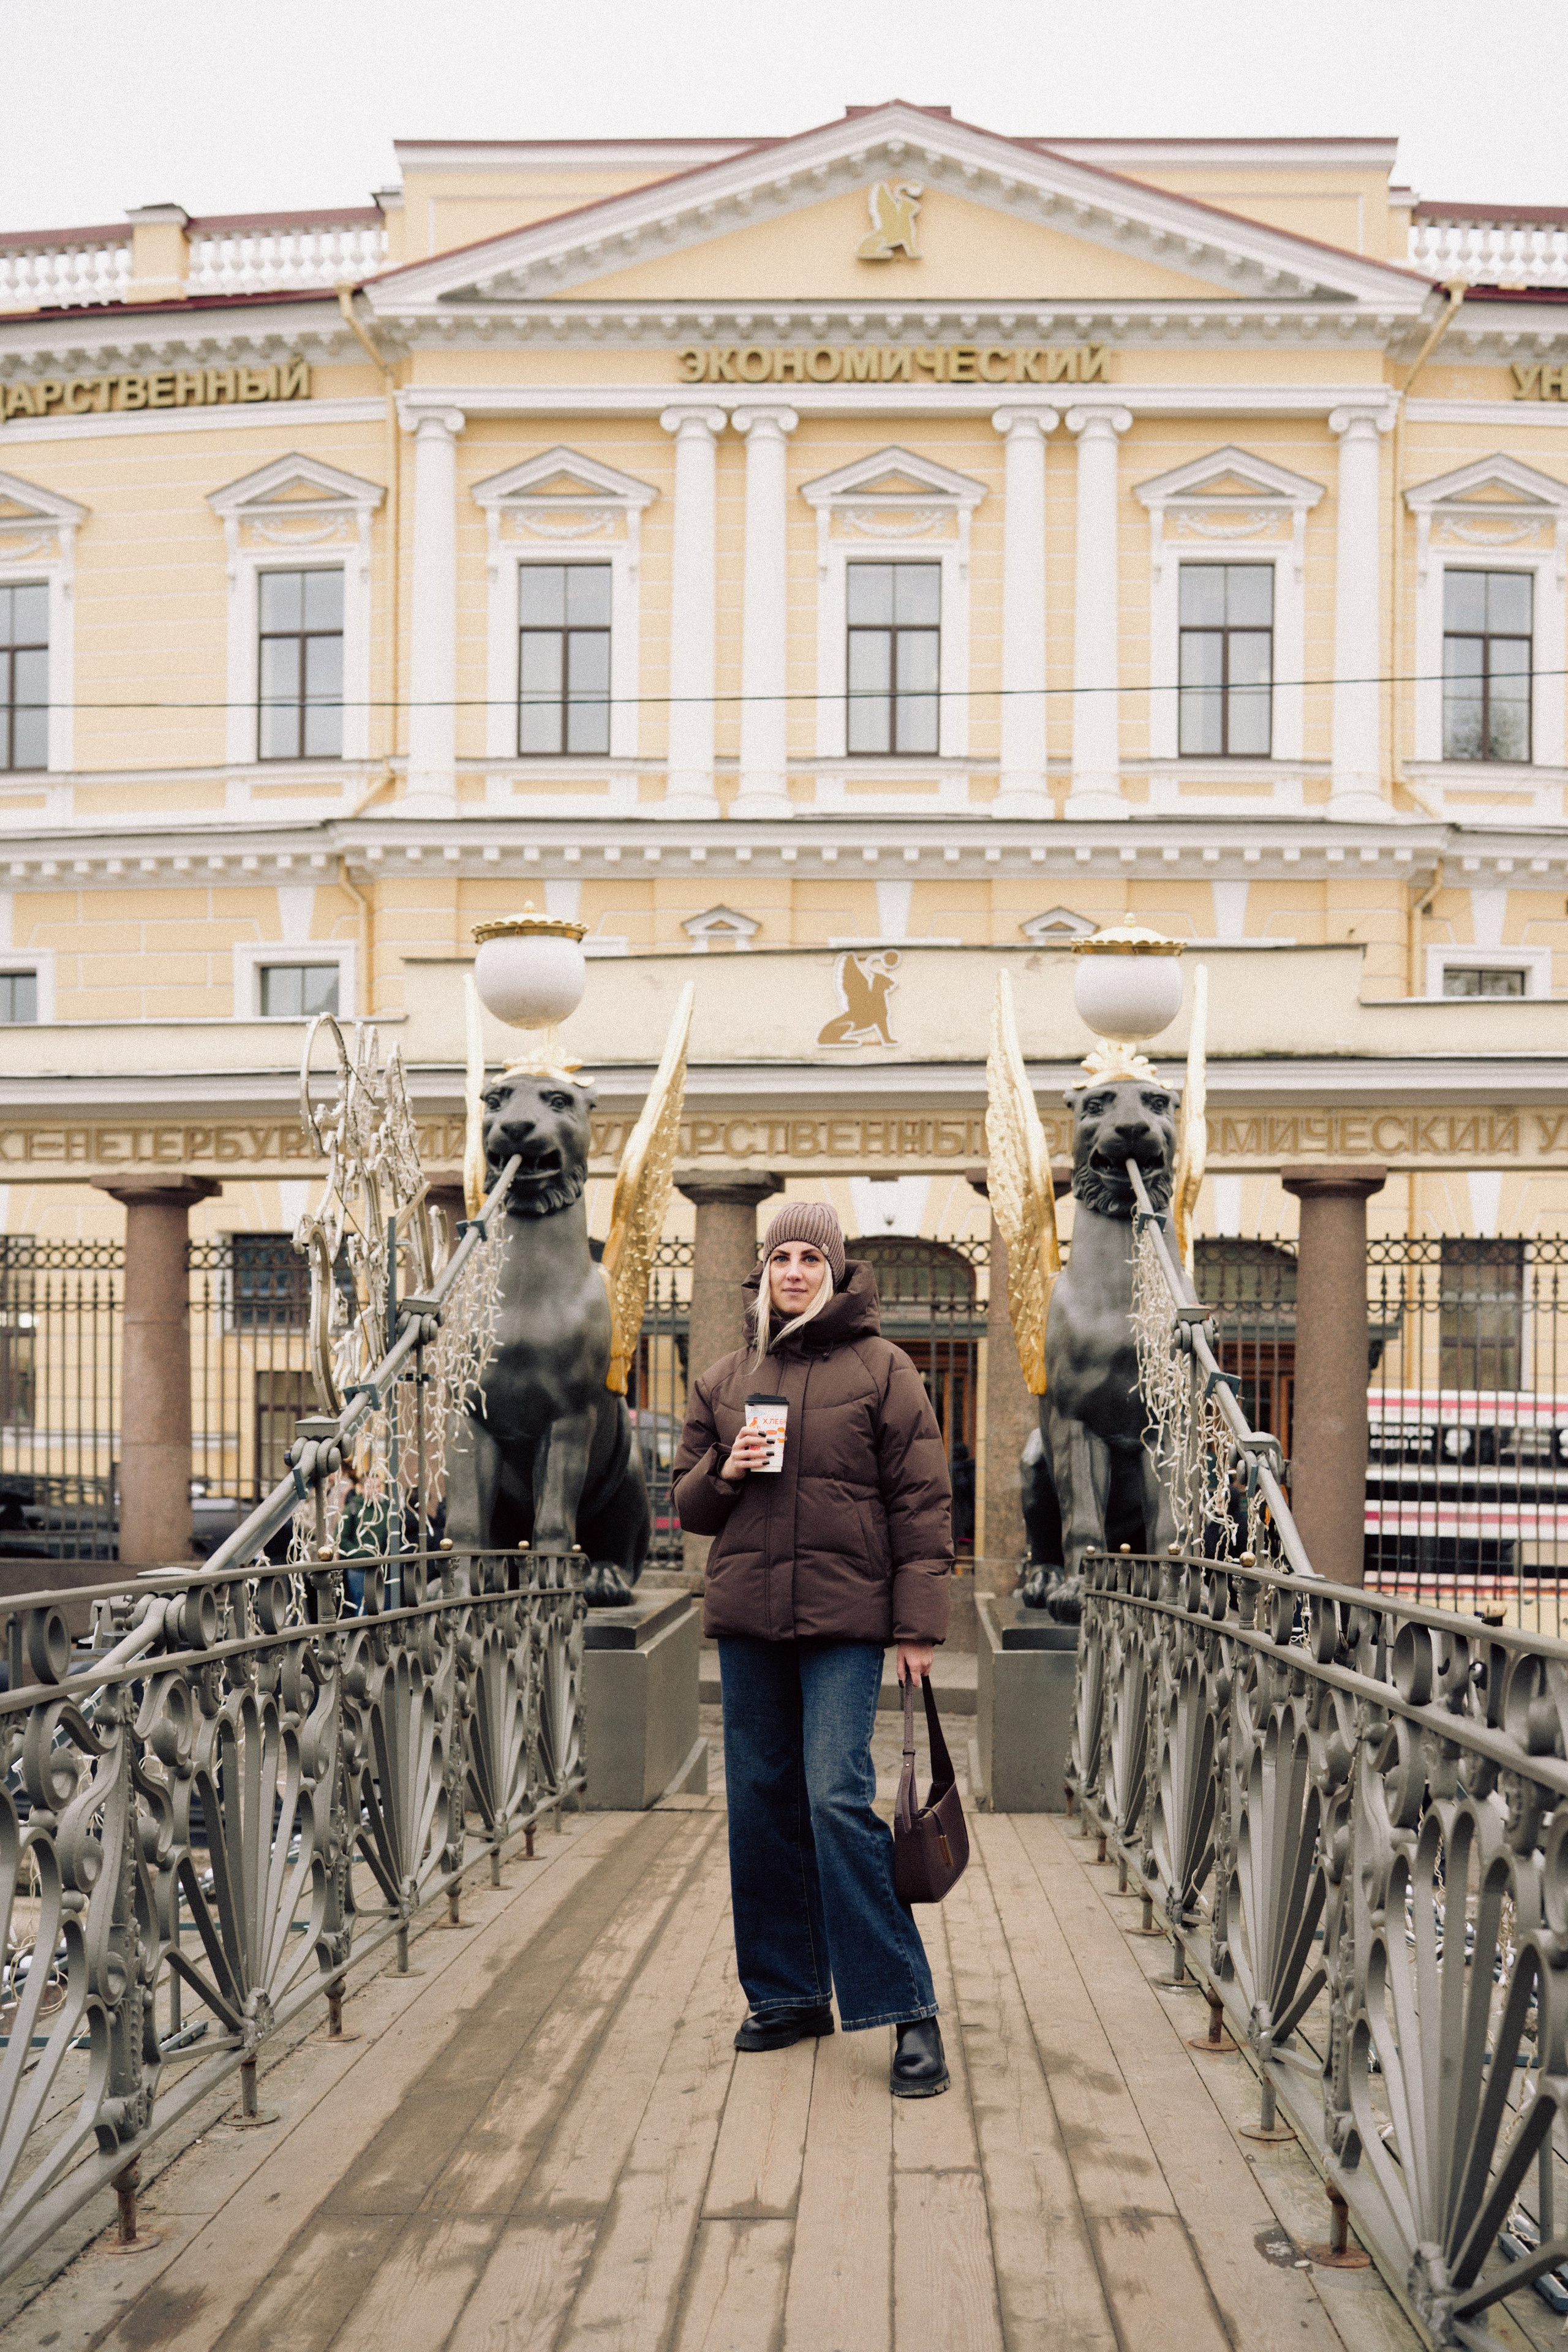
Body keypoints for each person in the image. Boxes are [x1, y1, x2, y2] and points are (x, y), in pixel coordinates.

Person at [671, 1200, 954, 2098]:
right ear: (763, 1271)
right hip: (751, 1615)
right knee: (759, 1803)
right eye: (781, 1257)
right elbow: (687, 1507)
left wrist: (918, 1624)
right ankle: (789, 1995)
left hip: (846, 1619)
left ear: (836, 1271)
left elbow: (922, 1501)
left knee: (836, 1798)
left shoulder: (883, 1368)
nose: (794, 1270)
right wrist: (727, 1470)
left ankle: (909, 2007)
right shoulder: (724, 1378)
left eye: (811, 1257)